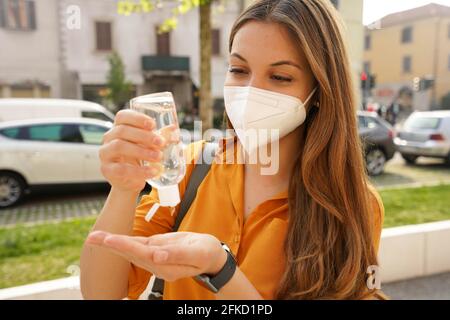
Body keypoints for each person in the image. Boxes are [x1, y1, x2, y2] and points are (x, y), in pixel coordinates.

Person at [80, 0, 385, 300]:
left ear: (319, 90)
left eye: (280, 77)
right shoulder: (191, 168)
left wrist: (221, 270)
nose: (252, 91)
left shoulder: (353, 204)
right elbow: (101, 293)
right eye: (239, 70)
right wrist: (123, 188)